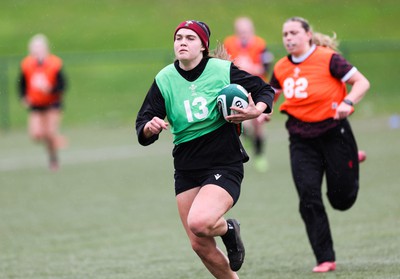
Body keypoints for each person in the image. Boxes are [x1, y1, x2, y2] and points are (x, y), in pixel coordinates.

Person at [136, 20, 275, 278]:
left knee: (200, 222)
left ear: (203, 46)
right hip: (186, 166)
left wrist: (257, 110)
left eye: (190, 38)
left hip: (223, 161)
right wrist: (150, 127)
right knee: (198, 242)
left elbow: (264, 89)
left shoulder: (221, 70)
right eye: (178, 38)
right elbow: (142, 126)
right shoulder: (165, 79)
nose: (182, 42)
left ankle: (229, 230)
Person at [269, 17, 370, 273]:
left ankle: (348, 161)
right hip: (301, 140)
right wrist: (261, 109)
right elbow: (270, 94)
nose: (288, 38)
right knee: (308, 197)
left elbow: (361, 82)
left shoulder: (328, 59)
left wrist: (348, 102)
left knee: (341, 201)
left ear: (308, 35)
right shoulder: (281, 67)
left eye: (294, 33)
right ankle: (325, 257)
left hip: (334, 133)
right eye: (285, 34)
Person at [224, 17, 274, 172]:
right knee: (243, 121)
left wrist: (252, 67)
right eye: (240, 31)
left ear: (251, 31)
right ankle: (245, 137)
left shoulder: (260, 44)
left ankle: (259, 155)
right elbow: (225, 64)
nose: (243, 34)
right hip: (239, 89)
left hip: (257, 88)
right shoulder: (229, 43)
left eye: (245, 31)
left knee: (259, 123)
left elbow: (265, 67)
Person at [18, 34, 67, 171]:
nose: (37, 51)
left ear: (46, 48)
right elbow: (21, 84)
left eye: (39, 47)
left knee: (50, 133)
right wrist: (23, 97)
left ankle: (53, 159)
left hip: (52, 103)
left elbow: (62, 86)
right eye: (34, 48)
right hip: (36, 104)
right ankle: (57, 140)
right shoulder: (27, 64)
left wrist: (49, 89)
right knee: (36, 135)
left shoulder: (55, 63)